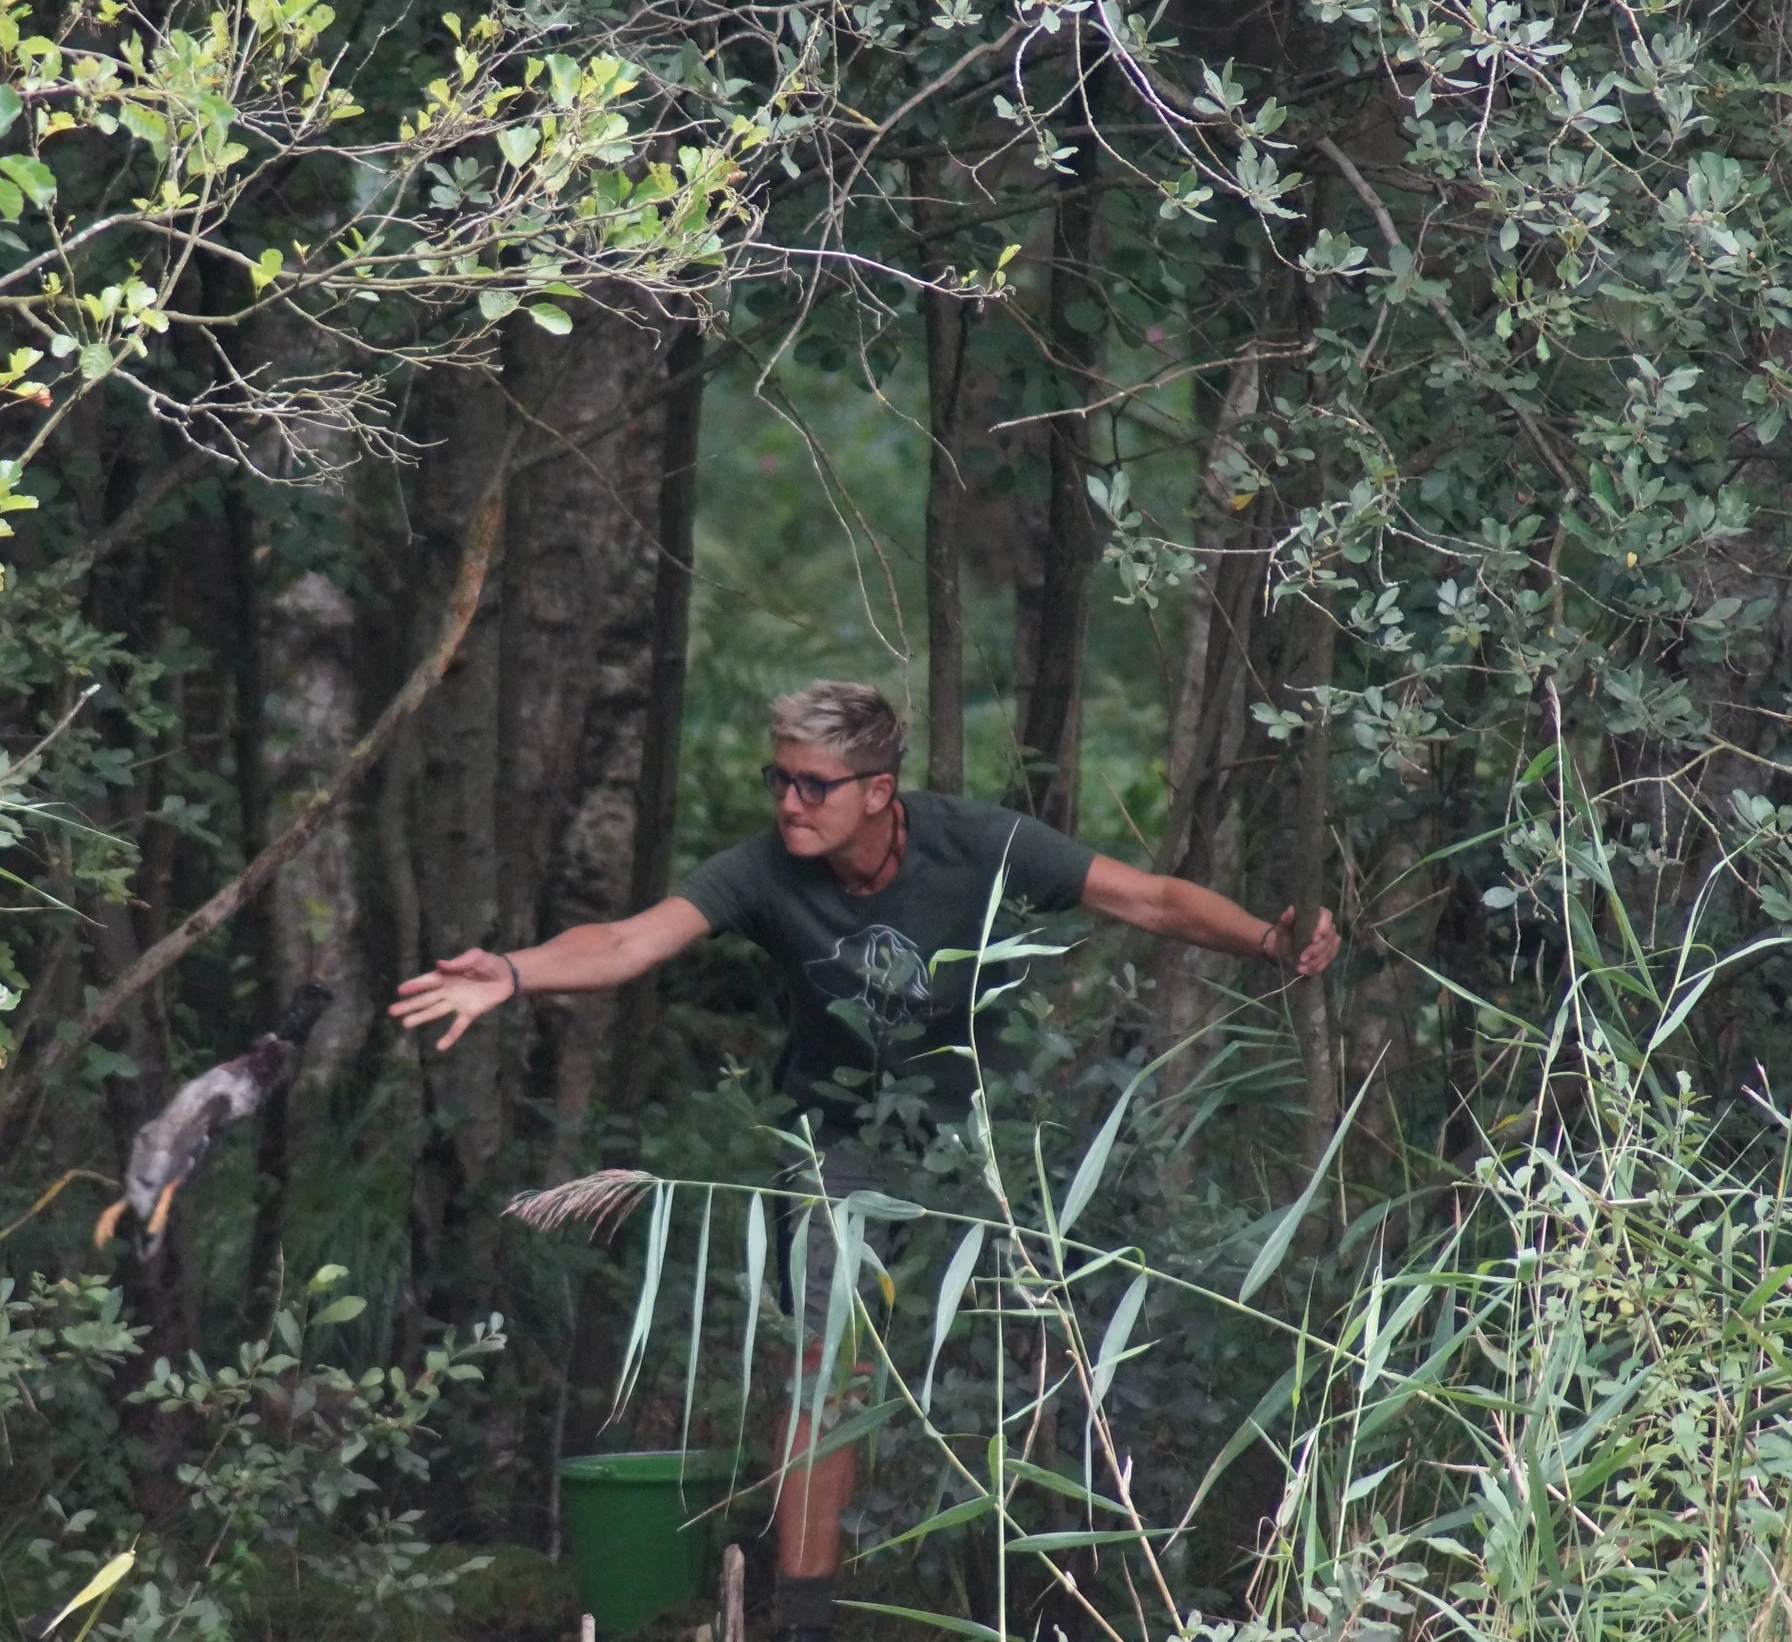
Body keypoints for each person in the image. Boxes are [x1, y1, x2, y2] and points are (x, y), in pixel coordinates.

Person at [390, 680, 1339, 1640]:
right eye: (779, 780)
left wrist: (1269, 940)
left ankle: (1074, 1599)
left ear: (880, 790)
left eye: (814, 785)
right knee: (825, 1361)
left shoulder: (976, 842)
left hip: (987, 1141)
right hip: (842, 1140)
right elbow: (631, 940)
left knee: (1049, 1355)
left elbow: (1149, 899)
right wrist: (512, 972)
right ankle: (805, 1619)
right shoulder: (764, 869)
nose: (789, 803)